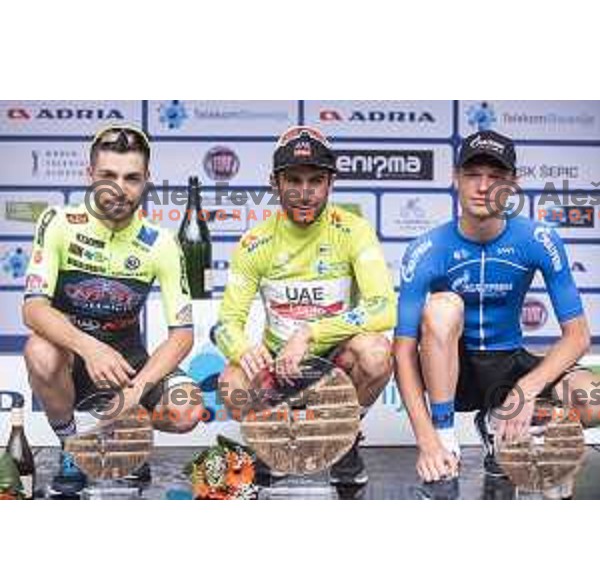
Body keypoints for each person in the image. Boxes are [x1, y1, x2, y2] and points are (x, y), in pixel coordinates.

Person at [393, 130, 597, 499]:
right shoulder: (425, 249)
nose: (483, 186)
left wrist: (526, 388)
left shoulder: (540, 238)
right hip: (453, 375)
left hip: (510, 366)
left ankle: (503, 428)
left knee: (592, 396)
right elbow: (403, 351)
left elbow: (578, 336)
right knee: (443, 306)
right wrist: (427, 439)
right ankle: (447, 439)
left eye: (496, 176)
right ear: (455, 178)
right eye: (473, 174)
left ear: (512, 184)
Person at [22, 125, 203, 495]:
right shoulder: (58, 222)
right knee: (39, 350)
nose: (119, 188)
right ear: (90, 175)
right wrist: (90, 347)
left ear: (147, 180)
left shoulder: (162, 242)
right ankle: (72, 447)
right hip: (73, 359)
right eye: (108, 175)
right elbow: (34, 309)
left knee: (188, 411)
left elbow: (182, 335)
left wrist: (137, 389)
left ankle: (127, 440)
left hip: (128, 364)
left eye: (132, 178)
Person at [214, 126, 396, 485]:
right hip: (279, 367)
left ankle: (343, 439)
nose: (304, 193)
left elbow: (383, 308)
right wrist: (242, 348)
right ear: (274, 183)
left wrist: (309, 334)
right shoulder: (254, 242)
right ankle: (275, 446)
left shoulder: (354, 230)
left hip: (335, 364)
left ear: (331, 183)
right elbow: (226, 324)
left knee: (376, 353)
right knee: (231, 383)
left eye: (315, 181)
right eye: (293, 180)